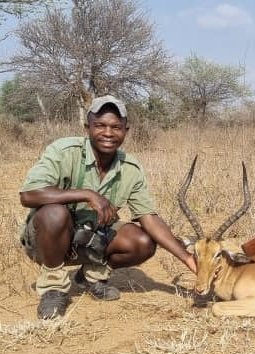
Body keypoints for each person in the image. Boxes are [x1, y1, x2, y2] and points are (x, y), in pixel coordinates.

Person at [20, 95, 196, 320]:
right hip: (47, 240)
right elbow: (28, 195)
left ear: (126, 130)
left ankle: (91, 276)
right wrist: (86, 194)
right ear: (87, 127)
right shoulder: (64, 151)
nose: (108, 133)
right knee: (54, 213)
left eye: (116, 127)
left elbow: (148, 217)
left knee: (142, 242)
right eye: (100, 125)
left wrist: (188, 259)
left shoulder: (130, 167)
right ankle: (53, 288)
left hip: (91, 239)